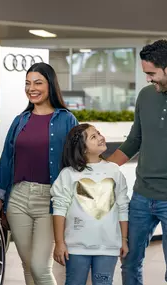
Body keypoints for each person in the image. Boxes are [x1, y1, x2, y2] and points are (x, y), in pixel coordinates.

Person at [0, 62, 78, 285]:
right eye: (27, 83)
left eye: (38, 83)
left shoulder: (67, 119)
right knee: (27, 266)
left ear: (50, 85)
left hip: (50, 201)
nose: (31, 88)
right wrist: (0, 198)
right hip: (18, 199)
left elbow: (76, 162)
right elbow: (6, 161)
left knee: (40, 267)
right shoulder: (20, 120)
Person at [107, 39, 167, 285]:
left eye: (152, 73)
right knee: (129, 260)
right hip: (142, 196)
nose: (148, 79)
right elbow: (134, 140)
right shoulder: (145, 96)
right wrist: (101, 169)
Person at [51, 124, 129, 285]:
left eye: (99, 133)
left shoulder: (114, 171)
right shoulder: (68, 174)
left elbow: (122, 206)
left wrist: (123, 239)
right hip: (76, 248)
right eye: (94, 137)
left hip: (108, 247)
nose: (101, 137)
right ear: (82, 148)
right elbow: (59, 209)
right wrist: (59, 243)